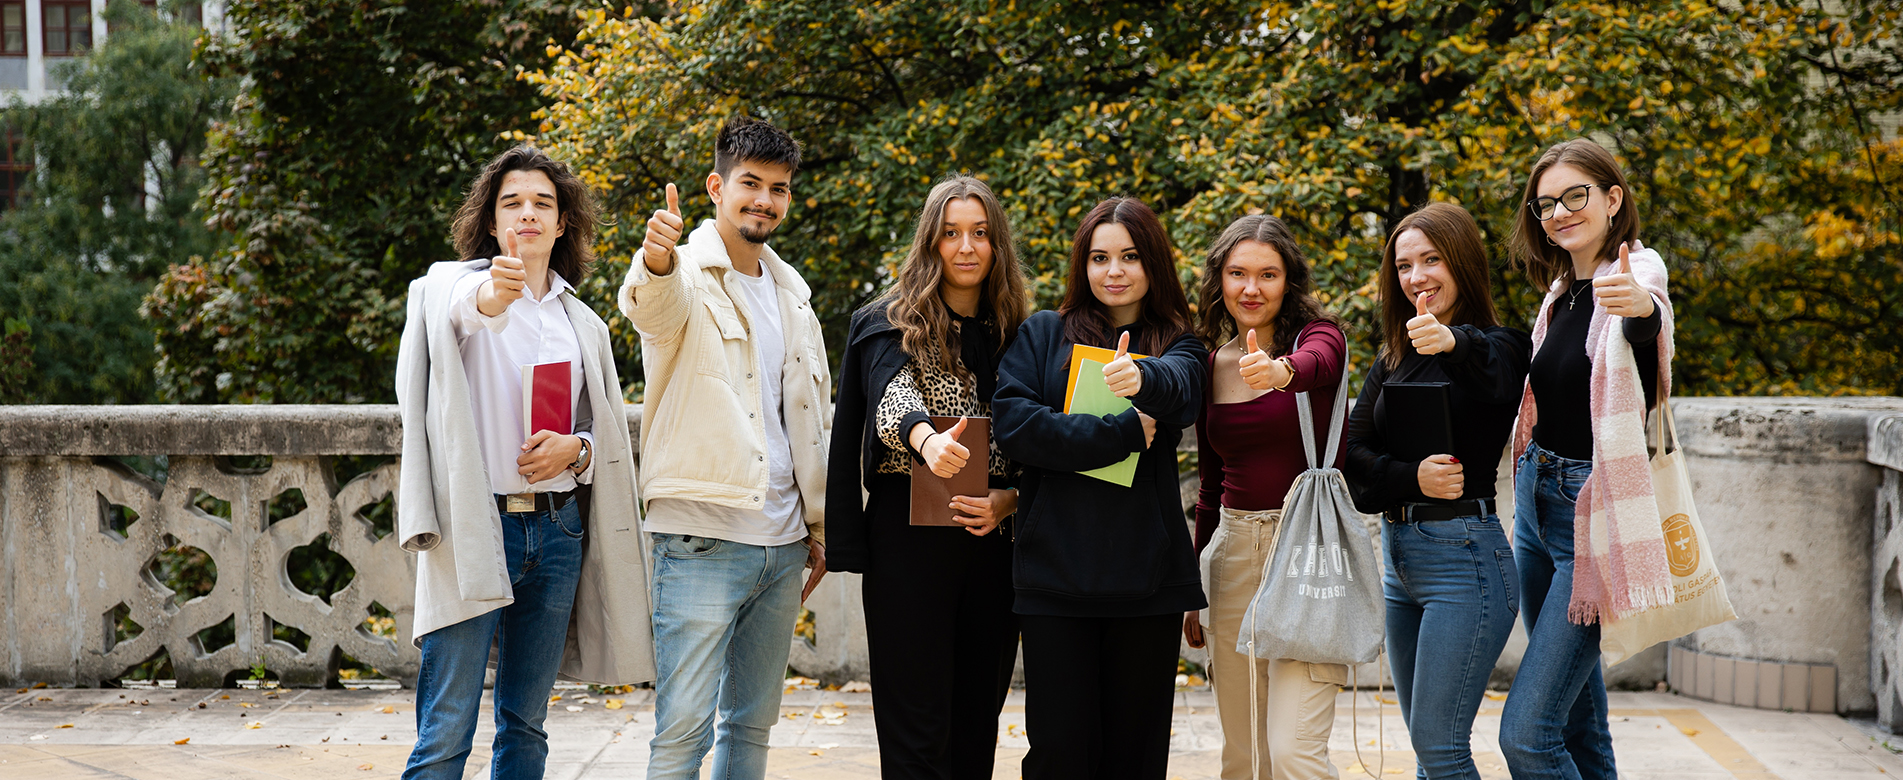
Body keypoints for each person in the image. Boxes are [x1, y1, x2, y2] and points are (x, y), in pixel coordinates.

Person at [395, 145, 653, 780]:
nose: (529, 214)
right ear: (491, 221)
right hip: (473, 527)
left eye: (544, 203)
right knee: (447, 727)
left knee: (526, 724)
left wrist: (578, 450)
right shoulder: (449, 293)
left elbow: (602, 434)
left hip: (559, 530)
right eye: (513, 202)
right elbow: (461, 317)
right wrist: (491, 295)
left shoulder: (582, 323)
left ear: (563, 223)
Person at [618, 116, 830, 780]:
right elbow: (651, 308)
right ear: (716, 186)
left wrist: (816, 528)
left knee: (750, 730)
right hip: (702, 538)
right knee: (682, 734)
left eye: (779, 188)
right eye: (749, 184)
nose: (764, 200)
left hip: (781, 543)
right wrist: (656, 255)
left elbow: (804, 420)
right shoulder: (683, 270)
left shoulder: (793, 294)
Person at [993, 197, 1209, 780]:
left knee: (1135, 757)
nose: (1114, 271)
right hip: (1053, 578)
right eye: (1099, 257)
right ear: (1082, 265)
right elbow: (1016, 426)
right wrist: (1122, 433)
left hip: (1148, 580)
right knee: (1059, 754)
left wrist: (1143, 375)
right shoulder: (1043, 333)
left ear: (1153, 264)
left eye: (1130, 257)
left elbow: (1183, 392)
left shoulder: (1182, 343)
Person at [825, 176, 1031, 779]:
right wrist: (926, 438)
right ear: (930, 242)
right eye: (950, 234)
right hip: (907, 544)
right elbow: (893, 395)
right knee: (915, 725)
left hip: (992, 544)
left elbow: (1041, 438)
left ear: (996, 246)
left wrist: (1009, 500)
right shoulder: (887, 323)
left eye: (979, 233)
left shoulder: (1021, 334)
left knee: (976, 722)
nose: (965, 247)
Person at [1499, 138, 1672, 780]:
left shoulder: (1635, 268)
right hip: (1534, 506)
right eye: (1546, 204)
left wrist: (1641, 311)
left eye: (1577, 196)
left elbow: (1646, 319)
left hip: (1590, 518)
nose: (1561, 213)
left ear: (1612, 199)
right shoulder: (1558, 292)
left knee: (1527, 735)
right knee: (1579, 725)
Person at [1342, 202, 1532, 780]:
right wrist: (1410, 477)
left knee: (1441, 749)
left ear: (1463, 263)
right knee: (1430, 749)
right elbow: (1350, 458)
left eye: (1431, 259)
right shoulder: (1393, 358)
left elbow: (1495, 369)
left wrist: (1451, 341)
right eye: (1404, 266)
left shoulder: (1500, 346)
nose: (1417, 276)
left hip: (1466, 563)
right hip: (1399, 564)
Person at [1185, 214, 1349, 780]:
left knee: (1292, 753)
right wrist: (1194, 589)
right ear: (1220, 281)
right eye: (1237, 274)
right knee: (1244, 756)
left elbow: (1320, 364)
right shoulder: (1211, 365)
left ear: (1289, 282)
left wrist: (1281, 373)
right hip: (1231, 555)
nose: (1251, 289)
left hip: (1303, 553)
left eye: (1268, 275)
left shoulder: (1319, 338)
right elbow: (1209, 487)